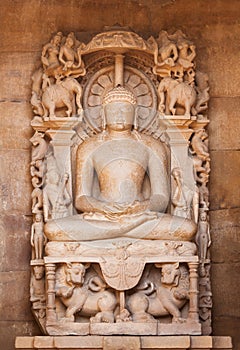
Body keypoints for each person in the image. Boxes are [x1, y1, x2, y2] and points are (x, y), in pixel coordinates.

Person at [45, 86, 196, 242]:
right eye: (113, 111)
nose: (119, 115)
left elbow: (161, 197)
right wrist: (103, 208)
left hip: (140, 216)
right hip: (102, 217)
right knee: (52, 229)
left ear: (134, 114)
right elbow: (82, 198)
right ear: (104, 114)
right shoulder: (89, 147)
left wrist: (140, 208)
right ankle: (123, 230)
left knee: (187, 228)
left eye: (125, 110)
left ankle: (118, 230)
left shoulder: (152, 146)